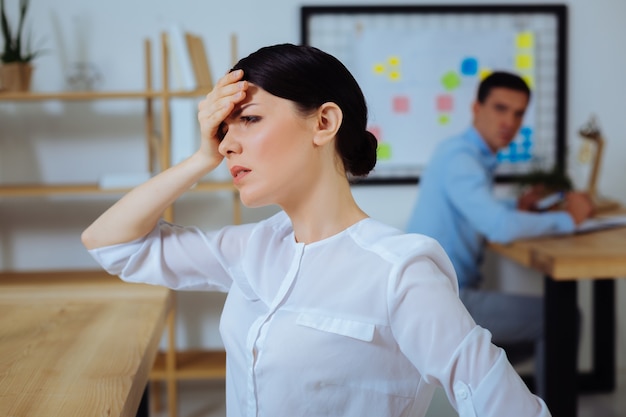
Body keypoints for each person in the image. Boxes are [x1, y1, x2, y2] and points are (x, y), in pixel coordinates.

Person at [82, 45, 550, 416]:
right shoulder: (252, 248)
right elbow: (110, 244)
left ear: (324, 122)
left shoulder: (400, 272)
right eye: (223, 129)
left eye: (248, 119)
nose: (227, 143)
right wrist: (199, 159)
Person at [406, 71, 594, 398]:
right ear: (476, 108)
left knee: (550, 322)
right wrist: (568, 219)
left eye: (518, 113)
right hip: (446, 300)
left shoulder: (462, 153)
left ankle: (504, 392)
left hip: (440, 294)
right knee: (562, 317)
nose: (509, 120)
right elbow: (499, 227)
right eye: (500, 108)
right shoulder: (461, 158)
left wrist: (518, 206)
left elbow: (480, 210)